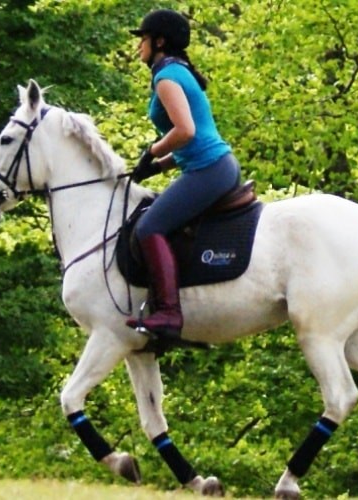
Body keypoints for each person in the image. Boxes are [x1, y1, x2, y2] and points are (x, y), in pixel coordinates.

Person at [126, 9, 240, 341]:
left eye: (142, 40)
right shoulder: (177, 71)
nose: (138, 48)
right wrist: (157, 167)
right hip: (212, 166)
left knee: (148, 227)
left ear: (159, 42)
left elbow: (187, 131)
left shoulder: (166, 77)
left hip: (210, 170)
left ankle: (169, 314)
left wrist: (151, 151)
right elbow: (194, 138)